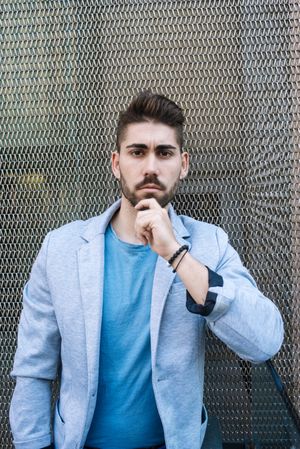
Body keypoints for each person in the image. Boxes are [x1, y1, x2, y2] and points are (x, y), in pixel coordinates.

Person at [10, 91, 284, 449]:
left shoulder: (209, 243)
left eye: (164, 153)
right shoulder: (61, 249)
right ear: (116, 163)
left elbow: (264, 341)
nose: (151, 166)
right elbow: (33, 369)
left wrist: (176, 255)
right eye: (137, 152)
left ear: (183, 164)